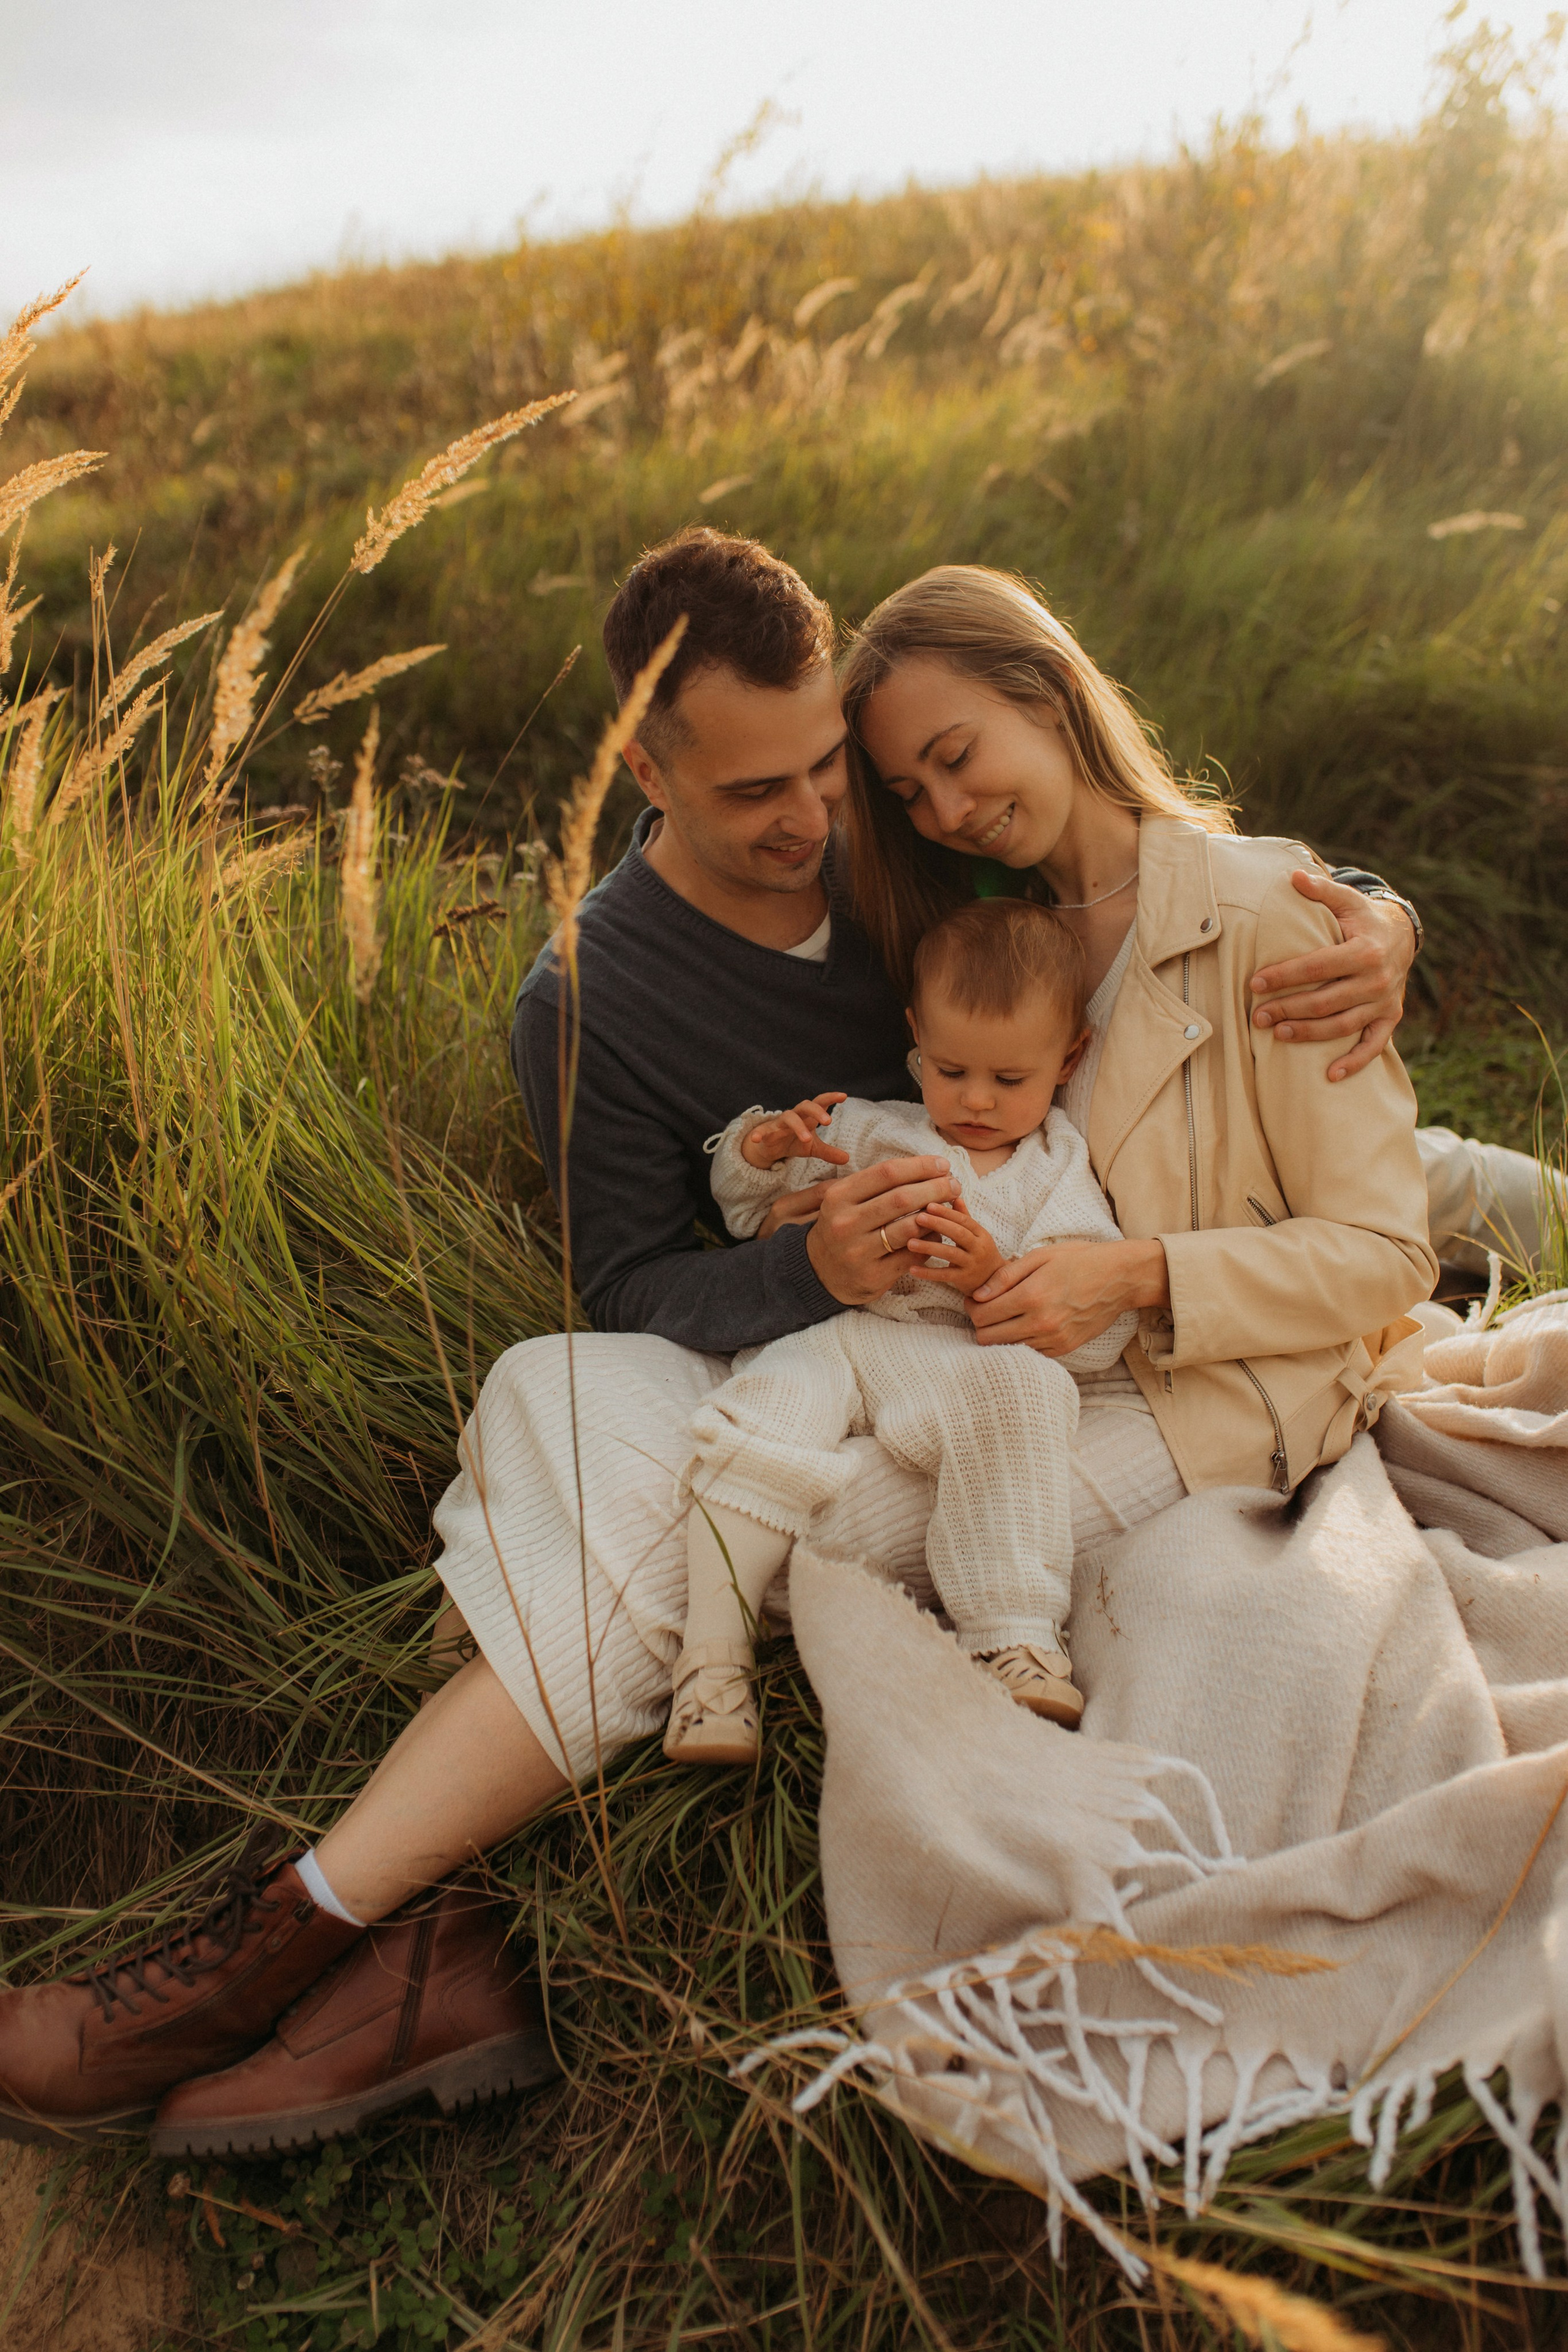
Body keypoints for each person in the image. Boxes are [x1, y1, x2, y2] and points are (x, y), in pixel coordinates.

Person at [0, 530, 1481, 2157]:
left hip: (1106, 1383)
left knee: (667, 1512)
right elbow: (633, 1275)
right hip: (903, 1349)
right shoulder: (630, 981)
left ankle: (321, 1935)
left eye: (844, 771)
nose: (831, 821)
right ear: (647, 771)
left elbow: (1222, 958)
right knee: (551, 1384)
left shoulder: (929, 861)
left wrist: (1372, 919)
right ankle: (396, 1933)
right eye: (767, 790)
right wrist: (806, 1258)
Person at [671, 897, 1139, 1758]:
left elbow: (1091, 1325)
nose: (976, 1101)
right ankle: (712, 1667)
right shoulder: (869, 1127)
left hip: (947, 1353)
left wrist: (988, 1273)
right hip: (832, 1333)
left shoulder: (1057, 1168)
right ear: (917, 1035)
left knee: (1025, 1392)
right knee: (765, 1423)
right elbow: (743, 1213)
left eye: (1011, 1081)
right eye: (951, 1069)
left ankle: (1014, 1635)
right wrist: (761, 1151)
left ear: (1069, 1058)